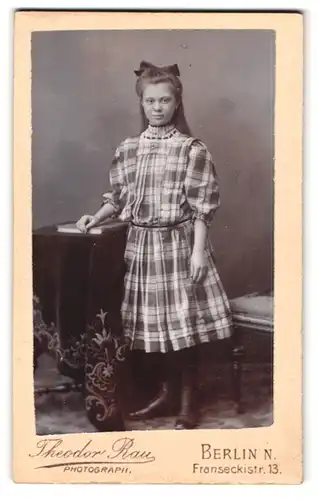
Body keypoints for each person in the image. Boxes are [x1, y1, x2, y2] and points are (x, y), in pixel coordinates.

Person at [76, 60, 233, 429]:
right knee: (156, 329)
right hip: (143, 247)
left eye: (164, 101)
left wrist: (197, 251)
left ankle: (186, 403)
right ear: (142, 104)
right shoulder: (130, 148)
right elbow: (119, 197)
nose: (158, 107)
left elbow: (201, 209)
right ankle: (165, 394)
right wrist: (94, 218)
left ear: (177, 103)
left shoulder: (191, 150)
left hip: (178, 246)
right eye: (151, 101)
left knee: (183, 326)